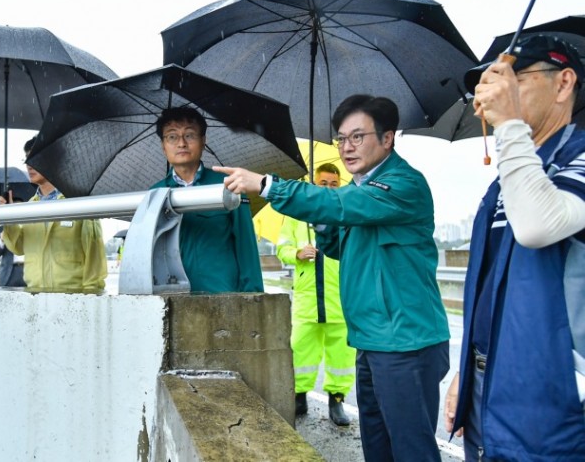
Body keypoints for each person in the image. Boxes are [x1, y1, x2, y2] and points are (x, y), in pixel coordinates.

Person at [214, 94, 450, 461]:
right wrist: (323, 224)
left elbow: (340, 206)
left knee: (410, 448)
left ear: (388, 138)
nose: (346, 147)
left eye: (358, 136)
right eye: (341, 138)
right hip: (372, 338)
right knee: (377, 444)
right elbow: (341, 246)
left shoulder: (403, 184)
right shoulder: (356, 191)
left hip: (406, 340)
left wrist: (269, 186)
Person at [443, 35, 585, 461]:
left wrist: (508, 127)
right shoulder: (506, 179)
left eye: (511, 79)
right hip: (489, 381)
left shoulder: (577, 158)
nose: (494, 93)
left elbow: (539, 226)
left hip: (550, 394)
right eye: (489, 84)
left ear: (563, 84)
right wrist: (464, 374)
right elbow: (488, 286)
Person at [150, 107, 263, 294]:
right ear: (163, 146)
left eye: (190, 135)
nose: (181, 143)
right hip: (170, 297)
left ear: (203, 141)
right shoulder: (155, 194)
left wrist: (254, 295)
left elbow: (246, 247)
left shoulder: (228, 185)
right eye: (171, 137)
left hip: (221, 295)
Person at [277, 162, 355, 426]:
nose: (329, 188)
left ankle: (337, 401)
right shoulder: (298, 217)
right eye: (323, 183)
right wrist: (297, 254)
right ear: (314, 185)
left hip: (338, 298)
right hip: (307, 299)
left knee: (342, 354)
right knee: (300, 349)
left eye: (334, 184)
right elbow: (282, 248)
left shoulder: (346, 216)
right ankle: (299, 396)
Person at [0, 137, 107, 293]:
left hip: (71, 299)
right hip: (35, 296)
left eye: (35, 158)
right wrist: (8, 219)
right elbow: (18, 247)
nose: (29, 165)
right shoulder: (29, 207)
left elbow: (94, 259)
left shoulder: (78, 202)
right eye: (27, 159)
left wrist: (89, 300)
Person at [0, 197, 26, 288]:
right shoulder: (1, 229)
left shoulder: (31, 227)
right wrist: (1, 240)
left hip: (29, 270)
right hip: (9, 273)